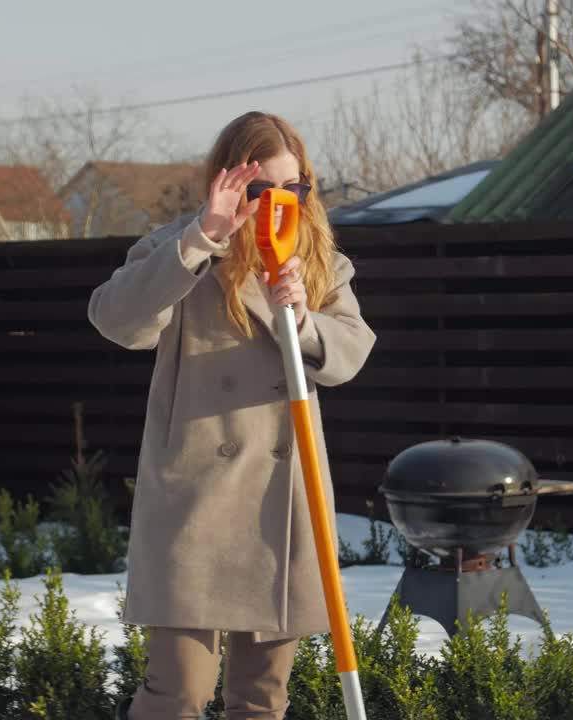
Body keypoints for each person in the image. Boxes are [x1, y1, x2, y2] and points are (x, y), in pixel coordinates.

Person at [87, 111, 376, 720]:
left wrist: (299, 319)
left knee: (261, 700)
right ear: (227, 184)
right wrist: (201, 238)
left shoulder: (317, 260)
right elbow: (116, 320)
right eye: (260, 190)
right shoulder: (176, 251)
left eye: (292, 189)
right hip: (195, 502)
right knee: (177, 695)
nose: (277, 204)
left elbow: (350, 354)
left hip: (284, 500)